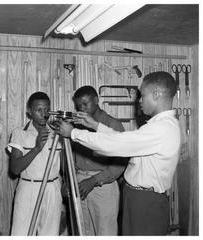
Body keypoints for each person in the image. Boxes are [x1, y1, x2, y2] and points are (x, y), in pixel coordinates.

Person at [56, 72, 181, 235]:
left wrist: (73, 133)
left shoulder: (162, 128)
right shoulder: (158, 126)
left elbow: (116, 145)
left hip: (145, 202)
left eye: (142, 96)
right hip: (138, 198)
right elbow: (123, 140)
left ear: (156, 95)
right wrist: (96, 125)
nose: (139, 101)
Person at [69, 86, 128, 235]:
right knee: (83, 231)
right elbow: (69, 156)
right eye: (78, 106)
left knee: (105, 232)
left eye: (85, 104)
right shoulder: (77, 126)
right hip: (80, 183)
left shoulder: (113, 125)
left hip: (103, 186)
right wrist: (69, 181)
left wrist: (94, 180)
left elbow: (120, 164)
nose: (81, 108)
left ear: (96, 100)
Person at [8, 92, 62, 235]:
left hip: (52, 189)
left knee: (50, 234)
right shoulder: (20, 133)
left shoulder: (58, 133)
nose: (44, 114)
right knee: (21, 234)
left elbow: (65, 164)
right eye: (39, 110)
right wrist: (37, 148)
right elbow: (15, 169)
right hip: (29, 189)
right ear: (29, 111)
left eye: (47, 110)